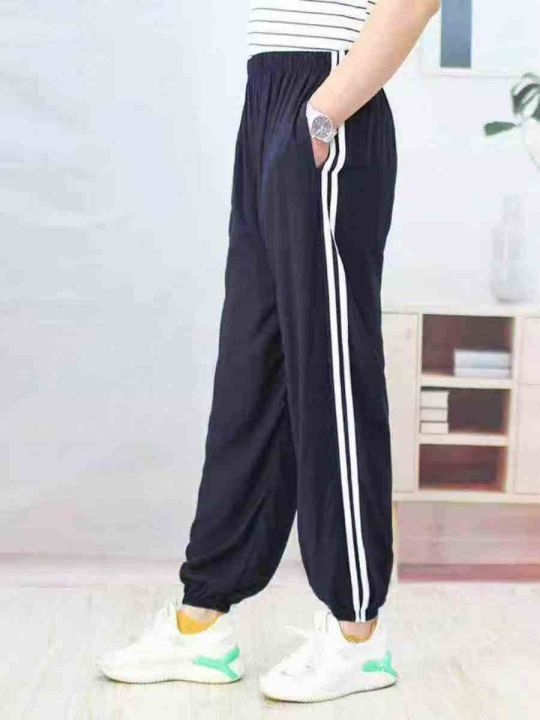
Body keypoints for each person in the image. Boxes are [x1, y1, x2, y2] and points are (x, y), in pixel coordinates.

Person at [99, 0, 440, 703]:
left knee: (330, 373)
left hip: (328, 94)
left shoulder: (325, 107)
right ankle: (202, 620)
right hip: (269, 96)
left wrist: (322, 115)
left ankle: (357, 635)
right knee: (251, 369)